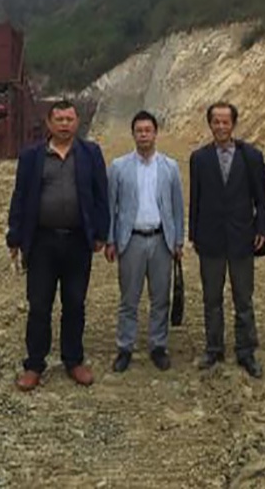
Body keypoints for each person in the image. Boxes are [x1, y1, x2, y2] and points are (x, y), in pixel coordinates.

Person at [7, 99, 110, 391]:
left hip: (78, 240)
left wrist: (101, 233)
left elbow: (100, 195)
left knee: (75, 303)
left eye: (69, 119)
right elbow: (20, 196)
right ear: (49, 123)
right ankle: (34, 364)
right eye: (59, 119)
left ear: (77, 122)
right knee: (39, 304)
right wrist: (14, 237)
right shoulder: (32, 156)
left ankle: (73, 360)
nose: (65, 124)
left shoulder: (90, 153)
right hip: (42, 241)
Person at [189, 102, 265, 379]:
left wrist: (262, 229)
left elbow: (261, 198)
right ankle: (214, 349)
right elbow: (195, 199)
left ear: (233, 124)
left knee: (243, 299)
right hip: (210, 238)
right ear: (210, 124)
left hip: (242, 237)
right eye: (216, 122)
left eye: (226, 122)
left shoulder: (251, 156)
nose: (221, 127)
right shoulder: (199, 158)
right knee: (211, 298)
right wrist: (194, 234)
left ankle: (246, 351)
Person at [105, 110, 184, 372]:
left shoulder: (170, 167)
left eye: (148, 130)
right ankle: (125, 347)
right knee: (129, 298)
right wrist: (111, 240)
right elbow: (111, 206)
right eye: (139, 131)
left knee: (160, 297)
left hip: (161, 239)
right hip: (131, 240)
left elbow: (177, 207)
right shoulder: (118, 167)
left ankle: (158, 346)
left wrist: (178, 241)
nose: (143, 135)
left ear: (155, 133)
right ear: (133, 134)